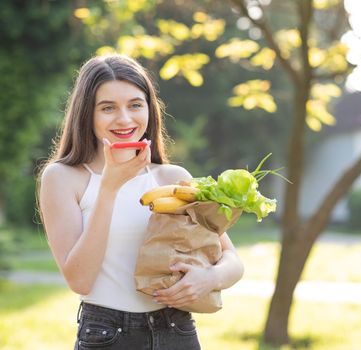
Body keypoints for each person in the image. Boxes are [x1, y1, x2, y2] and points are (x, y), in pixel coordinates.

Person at [38, 54, 244, 349]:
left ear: (149, 108)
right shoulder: (63, 178)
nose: (124, 119)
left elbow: (233, 261)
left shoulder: (172, 178)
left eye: (135, 105)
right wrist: (109, 188)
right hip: (107, 334)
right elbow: (80, 281)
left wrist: (209, 278)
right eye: (108, 108)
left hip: (177, 329)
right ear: (87, 114)